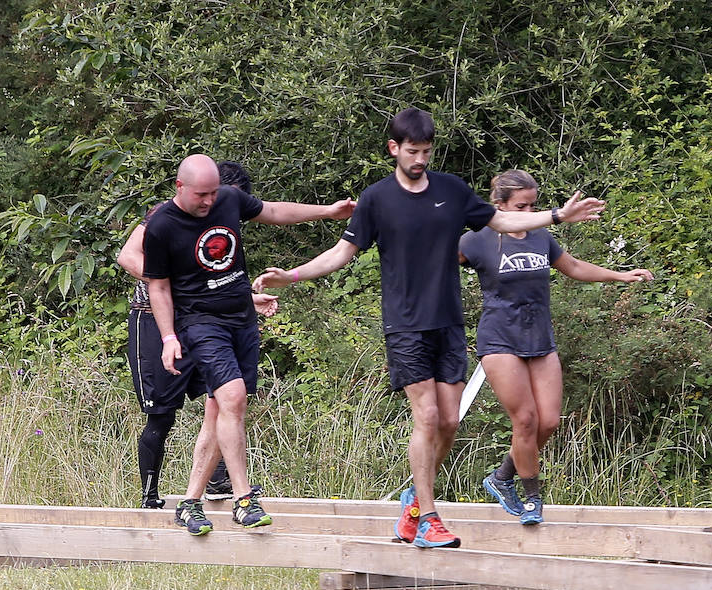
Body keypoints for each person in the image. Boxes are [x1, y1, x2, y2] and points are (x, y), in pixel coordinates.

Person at [253, 107, 605, 548]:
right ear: (394, 149)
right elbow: (342, 252)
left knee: (450, 422)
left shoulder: (452, 191)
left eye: (426, 151)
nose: (420, 159)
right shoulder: (377, 199)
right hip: (405, 325)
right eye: (412, 151)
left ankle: (414, 504)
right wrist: (294, 275)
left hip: (448, 322)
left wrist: (555, 217)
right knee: (429, 415)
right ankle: (429, 518)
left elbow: (503, 221)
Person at [144, 153, 354, 535]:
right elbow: (157, 285)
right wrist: (169, 337)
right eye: (201, 195)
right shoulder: (161, 226)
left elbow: (274, 211)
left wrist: (328, 211)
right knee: (234, 397)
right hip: (199, 323)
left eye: (212, 194)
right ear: (180, 187)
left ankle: (190, 503)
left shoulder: (228, 199)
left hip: (241, 317)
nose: (209, 202)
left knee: (219, 410)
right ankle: (243, 499)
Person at [458, 169, 654, 524]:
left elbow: (573, 266)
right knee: (526, 419)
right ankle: (532, 499)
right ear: (499, 205)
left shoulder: (540, 237)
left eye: (534, 204)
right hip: (499, 339)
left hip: (539, 339)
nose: (530, 211)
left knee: (547, 421)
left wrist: (620, 275)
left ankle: (502, 478)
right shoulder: (476, 240)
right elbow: (434, 263)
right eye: (521, 205)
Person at [116, 161, 278, 509]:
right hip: (155, 318)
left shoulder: (220, 213)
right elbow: (127, 256)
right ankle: (149, 496)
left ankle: (217, 485)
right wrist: (169, 283)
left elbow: (208, 285)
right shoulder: (164, 218)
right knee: (162, 413)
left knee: (221, 399)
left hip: (201, 319)